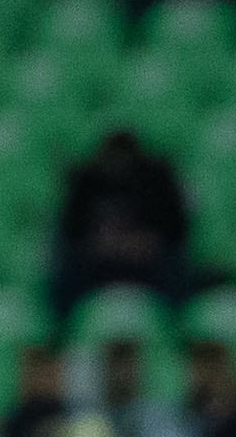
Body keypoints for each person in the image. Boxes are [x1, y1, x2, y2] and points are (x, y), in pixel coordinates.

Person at [49, 127, 210, 330]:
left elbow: (175, 230)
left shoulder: (158, 180)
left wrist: (143, 242)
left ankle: (177, 339)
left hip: (147, 265)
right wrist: (102, 244)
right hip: (97, 267)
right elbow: (72, 231)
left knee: (178, 276)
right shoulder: (86, 182)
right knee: (63, 281)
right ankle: (64, 340)